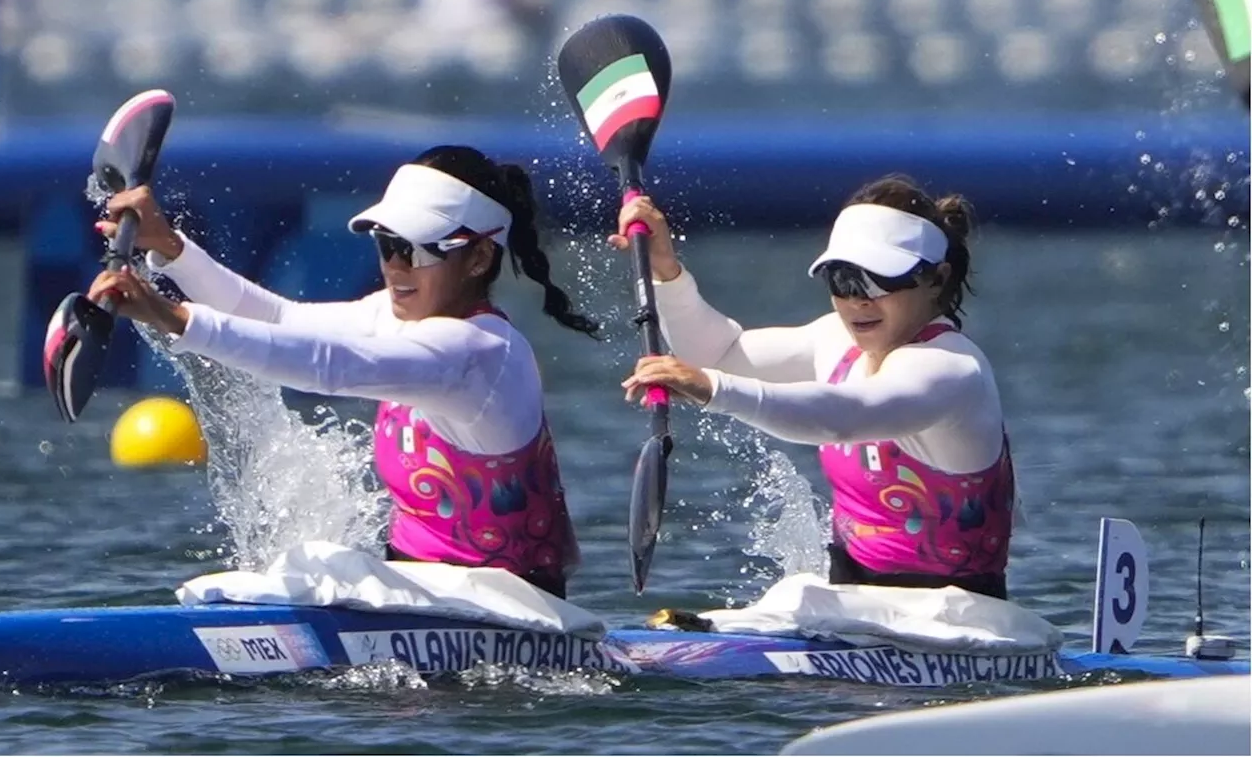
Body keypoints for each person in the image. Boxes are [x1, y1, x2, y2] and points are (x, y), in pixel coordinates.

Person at [88, 145, 600, 599]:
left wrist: (172, 317)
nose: (395, 266)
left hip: (510, 609)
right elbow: (279, 318)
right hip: (422, 594)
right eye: (386, 244)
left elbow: (328, 367)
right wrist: (170, 249)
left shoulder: (481, 353)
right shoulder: (398, 315)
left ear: (479, 257)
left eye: (414, 249)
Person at [615, 175, 1016, 600]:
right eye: (843, 279)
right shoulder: (835, 340)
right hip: (852, 606)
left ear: (936, 279)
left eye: (881, 280)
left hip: (958, 615)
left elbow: (844, 416)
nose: (858, 301)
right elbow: (718, 354)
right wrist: (666, 271)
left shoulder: (951, 369)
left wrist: (712, 388)